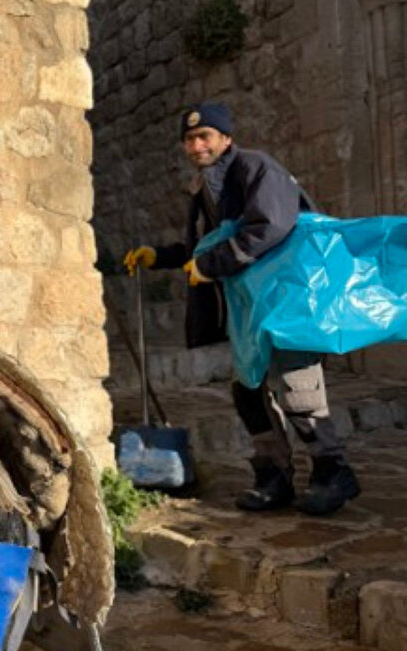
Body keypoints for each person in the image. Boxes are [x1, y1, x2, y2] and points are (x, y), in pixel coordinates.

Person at [123, 102, 359, 517]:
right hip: (252, 307)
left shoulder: (255, 168)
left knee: (297, 387)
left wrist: (210, 266)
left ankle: (332, 472)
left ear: (226, 138)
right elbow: (207, 247)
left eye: (205, 136)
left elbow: (271, 225)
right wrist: (158, 257)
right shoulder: (207, 187)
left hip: (287, 299)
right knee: (247, 391)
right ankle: (274, 477)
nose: (197, 145)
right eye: (190, 139)